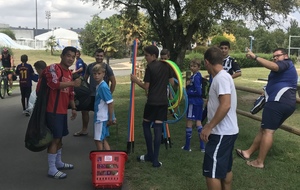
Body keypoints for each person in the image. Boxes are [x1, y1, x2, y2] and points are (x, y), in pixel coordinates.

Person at [236, 48, 297, 169]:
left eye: (277, 56)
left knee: (268, 131)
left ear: (285, 55)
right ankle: (248, 153)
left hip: (278, 102)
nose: (275, 58)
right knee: (264, 129)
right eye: (273, 56)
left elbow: (274, 67)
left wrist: (255, 57)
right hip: (284, 103)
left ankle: (260, 162)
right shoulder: (285, 66)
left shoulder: (285, 63)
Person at [200, 46, 239, 190]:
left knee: (212, 172)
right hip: (228, 132)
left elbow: (225, 105)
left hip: (221, 133)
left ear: (206, 62)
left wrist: (209, 126)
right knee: (225, 169)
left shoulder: (220, 78)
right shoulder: (224, 76)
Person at [131, 45, 174, 167]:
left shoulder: (150, 67)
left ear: (154, 56)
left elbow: (146, 86)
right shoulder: (167, 65)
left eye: (146, 55)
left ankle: (150, 154)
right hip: (163, 102)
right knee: (158, 128)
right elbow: (172, 83)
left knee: (146, 125)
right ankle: (155, 160)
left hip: (152, 102)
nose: (145, 58)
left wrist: (135, 80)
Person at [42, 46, 81, 179]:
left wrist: (74, 108)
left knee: (60, 137)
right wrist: (72, 83)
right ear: (62, 56)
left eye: (73, 57)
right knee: (55, 138)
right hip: (52, 110)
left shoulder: (69, 73)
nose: (71, 59)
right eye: (68, 56)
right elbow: (53, 84)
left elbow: (70, 93)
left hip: (62, 111)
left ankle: (58, 162)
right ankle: (52, 169)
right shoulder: (53, 68)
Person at [73, 48, 116, 136]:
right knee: (84, 111)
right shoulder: (90, 66)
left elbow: (113, 81)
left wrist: (110, 94)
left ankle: (103, 132)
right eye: (97, 55)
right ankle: (84, 130)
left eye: (101, 56)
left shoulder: (106, 67)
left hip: (101, 95)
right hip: (90, 94)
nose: (99, 57)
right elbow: (84, 79)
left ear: (103, 56)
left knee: (101, 113)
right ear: (94, 56)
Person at [182, 59, 205, 152]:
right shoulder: (196, 76)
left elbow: (198, 92)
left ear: (199, 67)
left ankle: (187, 146)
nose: (192, 68)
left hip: (193, 102)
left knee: (189, 121)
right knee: (198, 122)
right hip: (198, 102)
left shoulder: (196, 77)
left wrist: (188, 92)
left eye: (194, 66)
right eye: (191, 66)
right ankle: (202, 147)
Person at [92, 64, 115, 150]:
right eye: (94, 73)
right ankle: (109, 162)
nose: (96, 75)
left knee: (98, 140)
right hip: (100, 117)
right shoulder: (99, 86)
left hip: (101, 118)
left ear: (103, 74)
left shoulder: (103, 87)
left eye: (99, 73)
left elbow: (110, 103)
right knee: (103, 139)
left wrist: (111, 118)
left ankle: (101, 160)